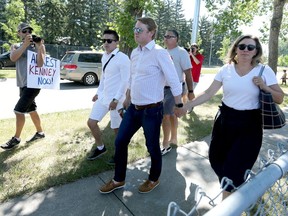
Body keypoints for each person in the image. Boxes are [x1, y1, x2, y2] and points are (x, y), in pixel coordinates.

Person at [181, 35, 284, 200]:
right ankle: (234, 185)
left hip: (250, 124)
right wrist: (187, 105)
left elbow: (280, 97)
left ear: (256, 51)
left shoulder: (264, 71)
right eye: (242, 46)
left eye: (251, 47)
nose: (245, 50)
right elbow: (209, 92)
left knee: (234, 165)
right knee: (216, 158)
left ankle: (227, 202)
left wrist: (264, 86)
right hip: (225, 121)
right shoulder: (226, 69)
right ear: (236, 48)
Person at [99, 17, 184, 194]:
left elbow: (174, 80)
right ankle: (118, 179)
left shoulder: (160, 53)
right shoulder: (135, 53)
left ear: (151, 32)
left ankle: (153, 179)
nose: (135, 32)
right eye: (135, 29)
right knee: (120, 141)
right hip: (133, 109)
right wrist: (128, 98)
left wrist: (179, 104)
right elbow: (132, 78)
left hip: (152, 111)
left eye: (139, 30)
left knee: (152, 146)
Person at [1, 23, 46, 150]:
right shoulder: (15, 46)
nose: (28, 33)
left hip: (34, 84)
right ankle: (40, 133)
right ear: (19, 33)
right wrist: (25, 45)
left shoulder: (38, 45)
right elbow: (13, 58)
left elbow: (40, 64)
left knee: (18, 110)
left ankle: (16, 139)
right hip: (22, 83)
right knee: (31, 109)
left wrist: (39, 47)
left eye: (29, 31)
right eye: (24, 31)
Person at [86, 29, 130, 161]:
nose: (106, 43)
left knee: (117, 129)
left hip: (117, 100)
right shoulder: (104, 56)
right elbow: (104, 78)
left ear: (116, 42)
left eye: (109, 41)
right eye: (104, 40)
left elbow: (125, 81)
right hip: (104, 97)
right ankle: (100, 148)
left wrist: (116, 100)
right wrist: (98, 93)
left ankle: (120, 154)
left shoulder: (123, 58)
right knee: (91, 123)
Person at [161, 30, 194, 155]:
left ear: (177, 39)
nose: (166, 38)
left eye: (170, 36)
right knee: (173, 114)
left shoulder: (181, 52)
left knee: (166, 115)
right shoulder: (162, 52)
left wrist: (191, 91)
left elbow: (188, 73)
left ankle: (165, 144)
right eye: (165, 36)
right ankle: (173, 138)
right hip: (162, 88)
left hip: (175, 88)